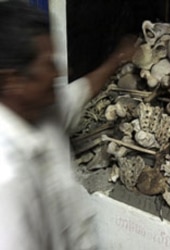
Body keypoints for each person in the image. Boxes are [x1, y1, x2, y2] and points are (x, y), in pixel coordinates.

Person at [0, 1, 137, 249]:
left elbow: (82, 89)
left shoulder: (44, 111)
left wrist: (117, 58)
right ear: (12, 80)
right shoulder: (6, 179)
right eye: (49, 63)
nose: (62, 71)